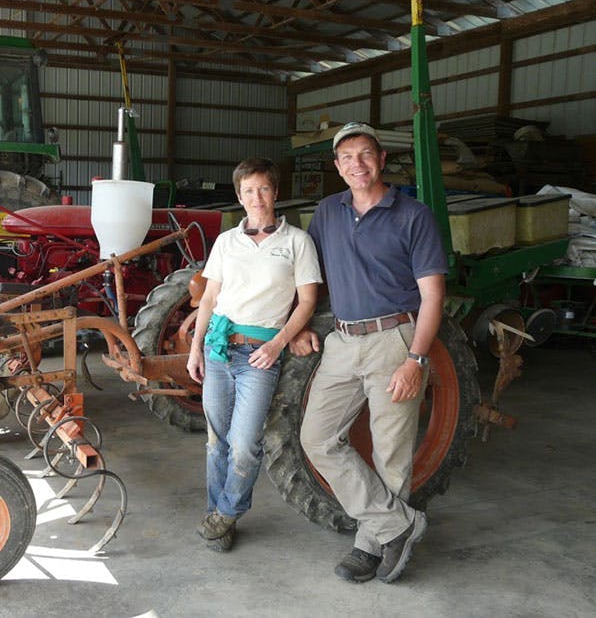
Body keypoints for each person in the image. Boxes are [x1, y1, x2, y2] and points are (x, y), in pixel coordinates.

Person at [295, 122, 448, 583]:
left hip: (393, 340)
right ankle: (397, 524)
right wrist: (298, 326)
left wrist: (415, 359)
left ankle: (370, 545)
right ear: (337, 167)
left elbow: (433, 296)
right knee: (316, 438)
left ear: (381, 160)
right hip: (342, 341)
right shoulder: (326, 211)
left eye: (364, 154)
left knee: (390, 452)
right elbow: (309, 275)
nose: (356, 164)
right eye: (346, 157)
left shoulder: (413, 215)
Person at [187, 157, 321, 552]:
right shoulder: (227, 241)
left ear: (275, 193)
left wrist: (277, 344)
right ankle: (220, 515)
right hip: (217, 350)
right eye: (248, 190)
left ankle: (227, 514)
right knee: (216, 442)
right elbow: (210, 298)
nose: (257, 197)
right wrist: (195, 348)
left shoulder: (297, 242)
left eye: (263, 189)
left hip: (260, 355)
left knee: (245, 443)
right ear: (239, 196)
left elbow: (307, 301)